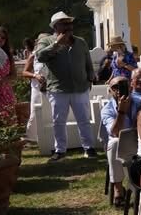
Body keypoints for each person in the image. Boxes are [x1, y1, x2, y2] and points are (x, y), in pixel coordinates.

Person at [34, 11, 96, 161]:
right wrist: (56, 45)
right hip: (58, 89)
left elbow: (87, 61)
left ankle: (89, 148)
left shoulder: (80, 42)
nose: (69, 26)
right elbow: (40, 56)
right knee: (59, 121)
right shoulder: (47, 41)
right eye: (64, 23)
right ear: (56, 26)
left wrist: (90, 77)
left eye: (70, 23)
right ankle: (60, 150)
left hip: (80, 87)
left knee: (84, 120)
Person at [101, 76, 138, 206]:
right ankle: (118, 187)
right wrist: (121, 111)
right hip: (120, 147)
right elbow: (115, 132)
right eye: (114, 87)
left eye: (122, 86)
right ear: (110, 91)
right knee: (115, 142)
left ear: (130, 88)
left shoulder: (139, 102)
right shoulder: (107, 109)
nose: (118, 90)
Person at [21, 35, 46, 142]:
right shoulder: (34, 56)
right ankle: (31, 137)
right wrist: (35, 76)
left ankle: (48, 135)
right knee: (35, 112)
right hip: (37, 88)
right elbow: (24, 72)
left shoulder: (55, 55)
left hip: (52, 89)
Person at [0, 27, 17, 121]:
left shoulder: (8, 55)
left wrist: (2, 80)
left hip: (5, 92)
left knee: (8, 122)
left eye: (3, 37)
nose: (0, 39)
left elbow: (13, 75)